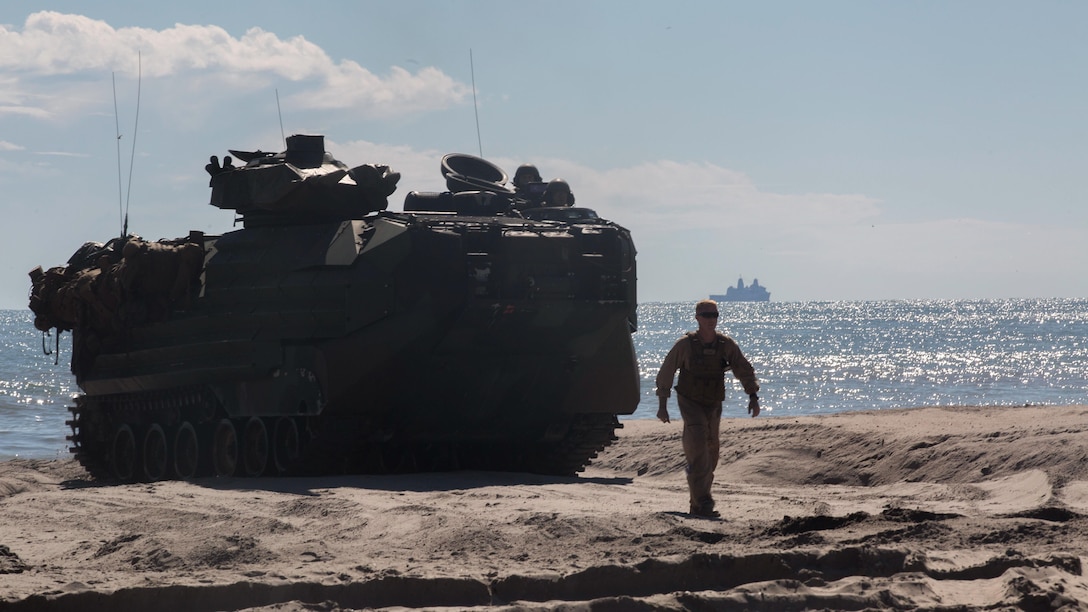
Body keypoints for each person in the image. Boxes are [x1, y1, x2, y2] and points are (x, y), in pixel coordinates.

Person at [655, 299, 760, 518]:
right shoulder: (685, 344)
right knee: (698, 449)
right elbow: (666, 372)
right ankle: (704, 502)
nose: (711, 319)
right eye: (706, 315)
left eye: (714, 315)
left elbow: (743, 368)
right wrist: (662, 405)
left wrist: (752, 396)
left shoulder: (725, 344)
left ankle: (697, 502)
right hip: (690, 402)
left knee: (711, 453)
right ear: (697, 318)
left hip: (713, 403)